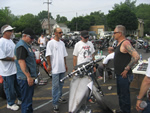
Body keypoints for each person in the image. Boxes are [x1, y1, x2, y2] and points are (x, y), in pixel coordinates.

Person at [113, 25, 140, 113]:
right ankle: (122, 110)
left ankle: (126, 111)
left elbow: (136, 56)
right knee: (121, 95)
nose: (113, 34)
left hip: (124, 76)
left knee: (125, 96)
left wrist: (126, 68)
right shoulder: (119, 43)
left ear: (120, 33)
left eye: (114, 33)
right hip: (119, 75)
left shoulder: (125, 43)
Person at [14, 28, 37, 113]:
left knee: (28, 100)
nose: (32, 40)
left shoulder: (26, 45)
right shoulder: (22, 46)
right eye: (31, 38)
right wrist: (28, 77)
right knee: (26, 102)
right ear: (24, 36)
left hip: (27, 77)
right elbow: (21, 61)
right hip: (25, 78)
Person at [46, 28, 68, 113]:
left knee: (61, 84)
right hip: (55, 69)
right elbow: (48, 55)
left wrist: (65, 64)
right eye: (60, 32)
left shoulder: (62, 43)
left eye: (62, 32)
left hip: (62, 68)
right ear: (55, 33)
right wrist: (49, 65)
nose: (61, 34)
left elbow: (64, 55)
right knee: (55, 86)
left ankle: (59, 97)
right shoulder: (50, 43)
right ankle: (55, 103)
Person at [0, 25, 21, 111]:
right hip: (7, 71)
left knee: (17, 86)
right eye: (10, 31)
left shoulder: (11, 41)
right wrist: (13, 59)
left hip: (14, 69)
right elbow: (1, 57)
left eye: (12, 31)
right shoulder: (1, 42)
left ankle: (20, 99)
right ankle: (10, 103)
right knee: (9, 88)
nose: (12, 33)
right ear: (5, 32)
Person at [73, 30, 96, 103]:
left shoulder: (90, 44)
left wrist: (94, 66)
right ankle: (80, 98)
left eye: (88, 37)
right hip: (81, 68)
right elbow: (75, 57)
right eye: (85, 37)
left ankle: (88, 97)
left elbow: (92, 55)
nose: (87, 39)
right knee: (81, 83)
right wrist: (74, 68)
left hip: (90, 66)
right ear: (81, 37)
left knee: (90, 83)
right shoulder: (78, 44)